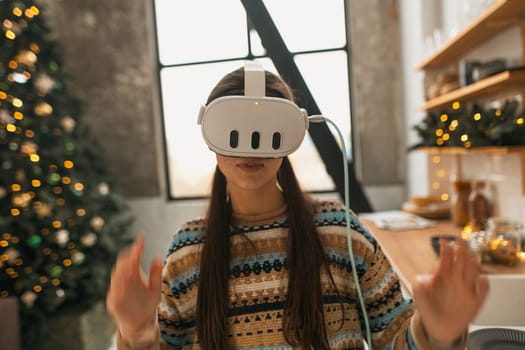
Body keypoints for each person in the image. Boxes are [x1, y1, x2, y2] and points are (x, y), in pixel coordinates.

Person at [106, 65, 489, 350]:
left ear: (291, 135)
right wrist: (137, 331)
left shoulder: (339, 231)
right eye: (234, 130)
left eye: (269, 130)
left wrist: (437, 332)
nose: (250, 146)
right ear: (211, 135)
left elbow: (395, 339)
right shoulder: (190, 251)